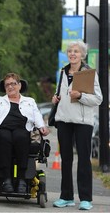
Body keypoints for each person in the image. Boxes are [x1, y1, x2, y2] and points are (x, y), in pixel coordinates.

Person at [52, 40, 103, 210]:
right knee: (66, 160)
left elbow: (98, 98)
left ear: (82, 54)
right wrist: (56, 98)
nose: (72, 54)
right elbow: (61, 94)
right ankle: (66, 196)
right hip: (63, 120)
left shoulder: (88, 73)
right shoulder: (62, 71)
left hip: (83, 122)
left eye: (76, 51)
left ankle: (85, 199)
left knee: (84, 160)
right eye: (70, 51)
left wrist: (80, 96)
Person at [0, 72, 49, 193]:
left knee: (20, 137)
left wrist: (42, 126)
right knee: (4, 138)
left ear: (19, 85)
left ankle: (22, 179)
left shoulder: (29, 101)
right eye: (7, 85)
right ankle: (6, 179)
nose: (10, 87)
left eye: (13, 84)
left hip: (22, 128)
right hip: (3, 128)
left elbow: (37, 115)